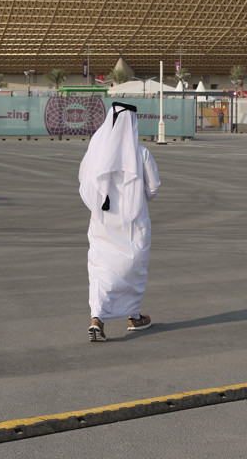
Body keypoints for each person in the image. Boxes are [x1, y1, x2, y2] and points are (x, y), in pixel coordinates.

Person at [79, 101, 161, 342]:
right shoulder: (141, 153)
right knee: (133, 268)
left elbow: (83, 180)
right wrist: (136, 197)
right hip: (133, 223)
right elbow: (154, 188)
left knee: (101, 269)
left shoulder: (95, 151)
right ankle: (133, 317)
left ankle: (97, 319)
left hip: (102, 223)